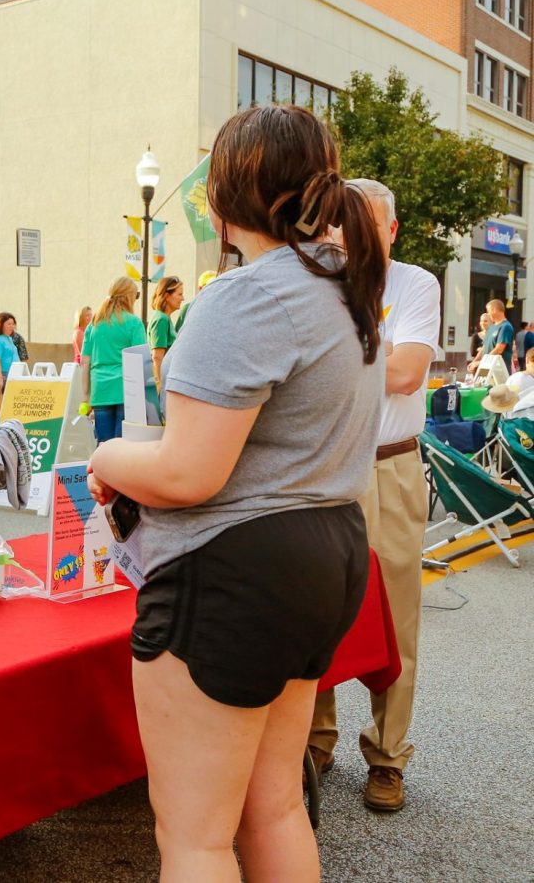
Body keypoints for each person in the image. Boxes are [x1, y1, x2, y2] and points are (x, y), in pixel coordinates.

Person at [88, 104, 384, 880]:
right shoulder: (342, 286)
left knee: (196, 835)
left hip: (234, 570)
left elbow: (189, 473)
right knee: (274, 806)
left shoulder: (244, 296)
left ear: (223, 196)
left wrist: (110, 454)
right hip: (326, 549)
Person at [304, 178, 439, 812]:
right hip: (326, 465)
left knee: (397, 614)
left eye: (367, 223)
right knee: (318, 608)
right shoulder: (319, 282)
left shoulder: (414, 284)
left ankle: (387, 756)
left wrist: (327, 359)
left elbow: (408, 372)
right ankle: (315, 737)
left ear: (391, 231)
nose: (349, 234)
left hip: (389, 465)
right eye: (341, 222)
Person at [80, 277, 146, 442]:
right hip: (127, 391)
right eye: (136, 295)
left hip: (100, 391)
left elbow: (85, 362)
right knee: (122, 445)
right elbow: (140, 361)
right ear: (129, 296)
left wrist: (85, 397)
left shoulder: (93, 324)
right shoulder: (134, 323)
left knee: (104, 444)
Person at [149, 276, 185, 390]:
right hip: (163, 385)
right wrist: (160, 388)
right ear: (167, 296)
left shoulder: (165, 318)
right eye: (180, 294)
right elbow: (157, 357)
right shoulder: (161, 319)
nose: (183, 298)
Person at [471, 299, 514, 375]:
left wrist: (481, 362)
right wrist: (474, 362)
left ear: (494, 310)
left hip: (499, 371)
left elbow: (499, 349)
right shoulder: (491, 328)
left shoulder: (505, 327)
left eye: (488, 311)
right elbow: (484, 348)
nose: (488, 314)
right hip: (487, 368)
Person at [174, 269, 215, 334]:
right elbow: (178, 335)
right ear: (200, 288)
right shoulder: (188, 309)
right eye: (211, 286)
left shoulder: (220, 310)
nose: (215, 289)